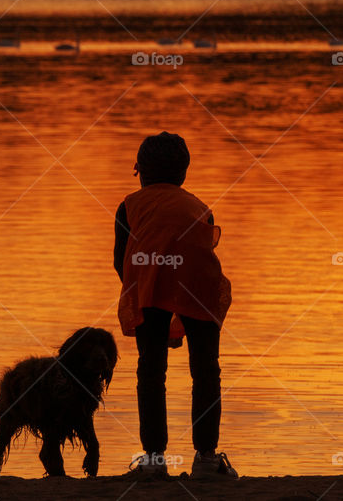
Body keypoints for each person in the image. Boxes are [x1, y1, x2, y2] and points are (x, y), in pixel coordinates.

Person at [113, 132, 237, 480]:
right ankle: (207, 459)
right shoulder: (200, 207)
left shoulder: (129, 206)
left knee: (151, 371)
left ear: (142, 171)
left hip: (149, 283)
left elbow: (120, 262)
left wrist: (147, 301)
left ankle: (154, 461)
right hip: (199, 286)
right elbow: (202, 255)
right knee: (206, 370)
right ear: (184, 173)